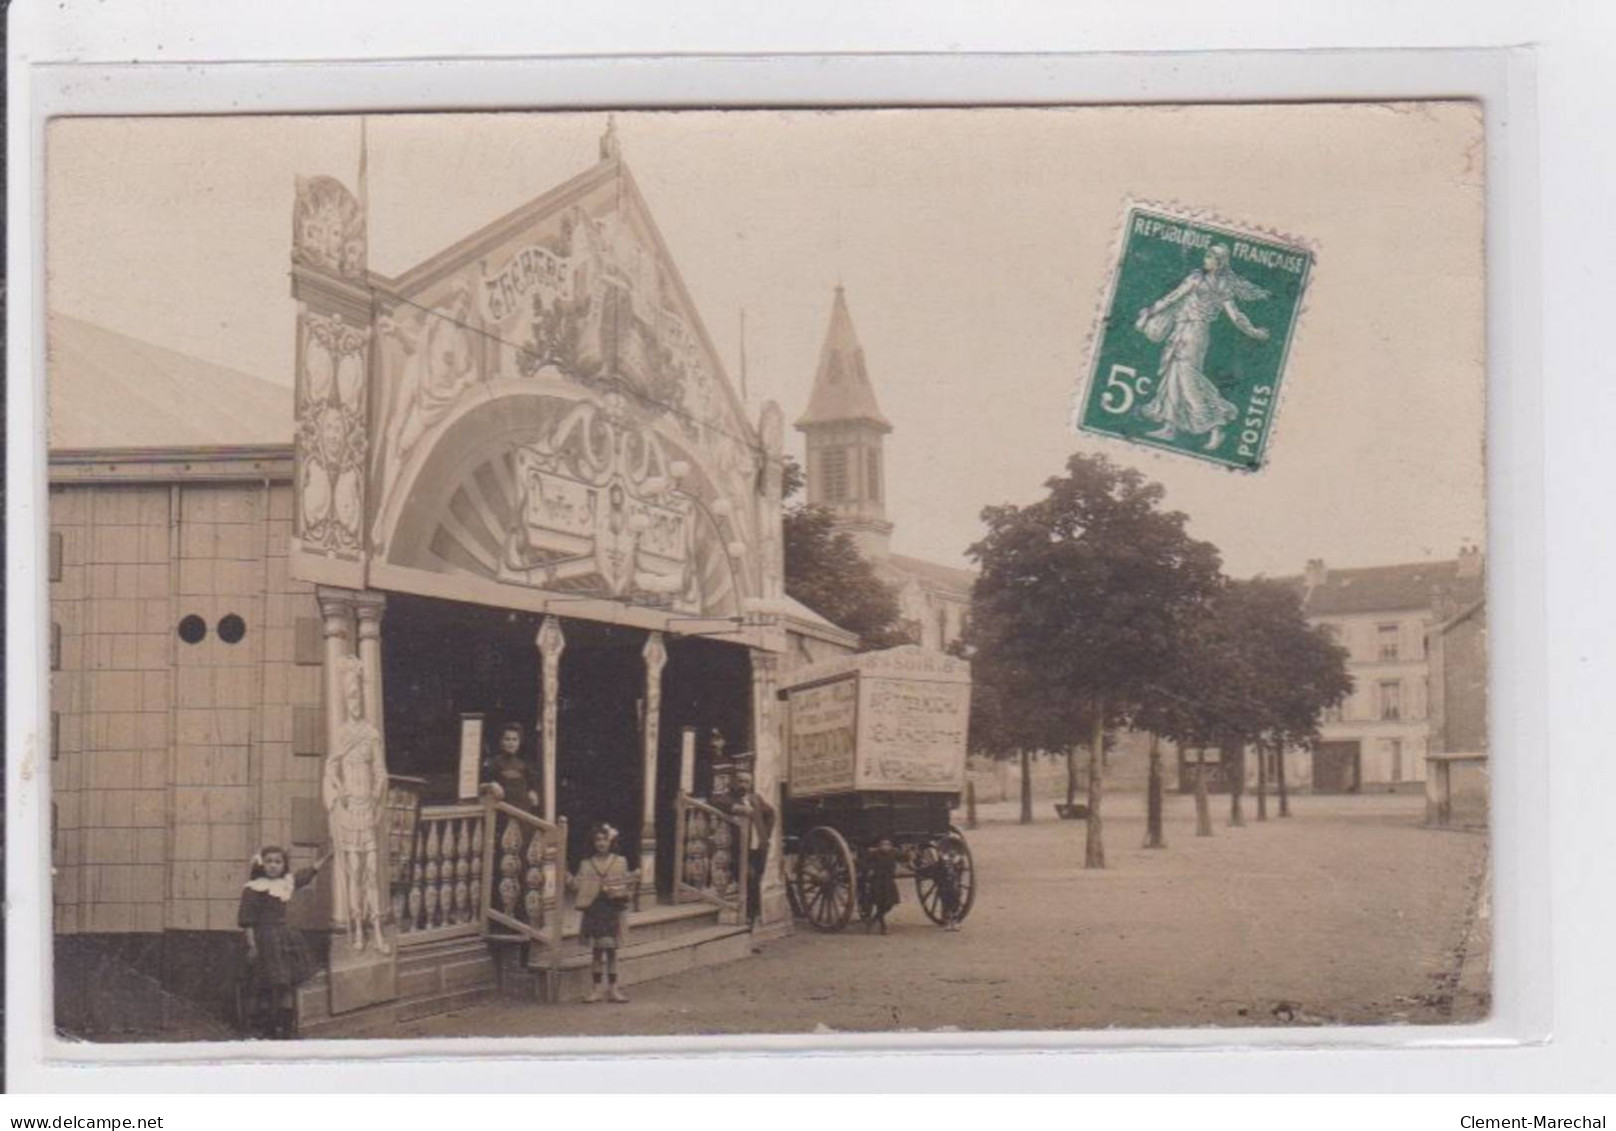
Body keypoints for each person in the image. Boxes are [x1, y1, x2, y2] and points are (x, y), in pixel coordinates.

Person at [1133, 242, 1271, 452]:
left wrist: (1253, 331)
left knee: (1188, 381)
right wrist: (1253, 331)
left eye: (1210, 257)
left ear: (1219, 262)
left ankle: (1216, 426)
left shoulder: (1203, 281)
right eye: (1206, 256)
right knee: (1173, 377)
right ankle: (1170, 427)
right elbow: (1234, 316)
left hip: (1193, 334)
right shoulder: (1211, 281)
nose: (1205, 260)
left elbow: (1173, 299)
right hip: (1185, 330)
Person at [322, 655, 390, 954]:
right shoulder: (342, 735)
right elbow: (330, 769)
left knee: (372, 872)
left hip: (368, 808)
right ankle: (358, 928)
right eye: (351, 696)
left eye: (359, 696)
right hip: (350, 810)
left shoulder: (371, 734)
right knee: (353, 870)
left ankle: (377, 930)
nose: (356, 702)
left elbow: (381, 771)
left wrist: (376, 795)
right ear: (345, 699)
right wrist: (339, 793)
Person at [238, 846, 328, 1039]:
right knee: (267, 984)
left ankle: (285, 1027)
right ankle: (265, 1028)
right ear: (262, 864)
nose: (273, 865)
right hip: (265, 939)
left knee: (285, 983)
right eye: (269, 861)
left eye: (278, 862)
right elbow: (248, 921)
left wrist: (324, 860)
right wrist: (253, 946)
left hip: (284, 938)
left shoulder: (286, 883)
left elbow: (306, 875)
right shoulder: (254, 888)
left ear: (284, 865)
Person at [568, 823, 638, 1003]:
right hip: (594, 912)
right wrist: (566, 876)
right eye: (597, 840)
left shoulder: (620, 861)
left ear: (611, 841)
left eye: (604, 839)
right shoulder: (586, 864)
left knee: (612, 952)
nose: (601, 843)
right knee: (597, 952)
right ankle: (596, 989)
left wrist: (632, 879)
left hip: (613, 911)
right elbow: (577, 885)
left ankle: (614, 989)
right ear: (592, 843)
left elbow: (626, 883)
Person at [719, 764, 776, 931]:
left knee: (756, 881)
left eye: (747, 782)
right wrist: (737, 808)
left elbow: (771, 813)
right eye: (740, 781)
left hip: (759, 848)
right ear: (734, 782)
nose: (743, 785)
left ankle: (752, 918)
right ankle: (749, 918)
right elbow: (718, 802)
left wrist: (766, 835)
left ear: (751, 783)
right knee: (749, 879)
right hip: (742, 850)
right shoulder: (729, 798)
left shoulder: (756, 798)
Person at [485, 721, 540, 814]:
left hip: (522, 811)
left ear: (519, 742)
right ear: (501, 741)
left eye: (515, 739)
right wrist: (491, 784)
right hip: (502, 812)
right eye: (507, 739)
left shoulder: (524, 764)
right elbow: (483, 783)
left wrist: (532, 792)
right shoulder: (492, 762)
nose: (511, 743)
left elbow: (532, 785)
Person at [865, 837, 901, 935]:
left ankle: (874, 919)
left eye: (888, 845)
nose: (885, 847)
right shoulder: (874, 854)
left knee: (889, 904)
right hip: (877, 882)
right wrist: (870, 870)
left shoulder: (894, 853)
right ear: (879, 846)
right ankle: (883, 926)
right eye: (883, 845)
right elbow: (866, 863)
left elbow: (904, 858)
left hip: (889, 882)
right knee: (880, 904)